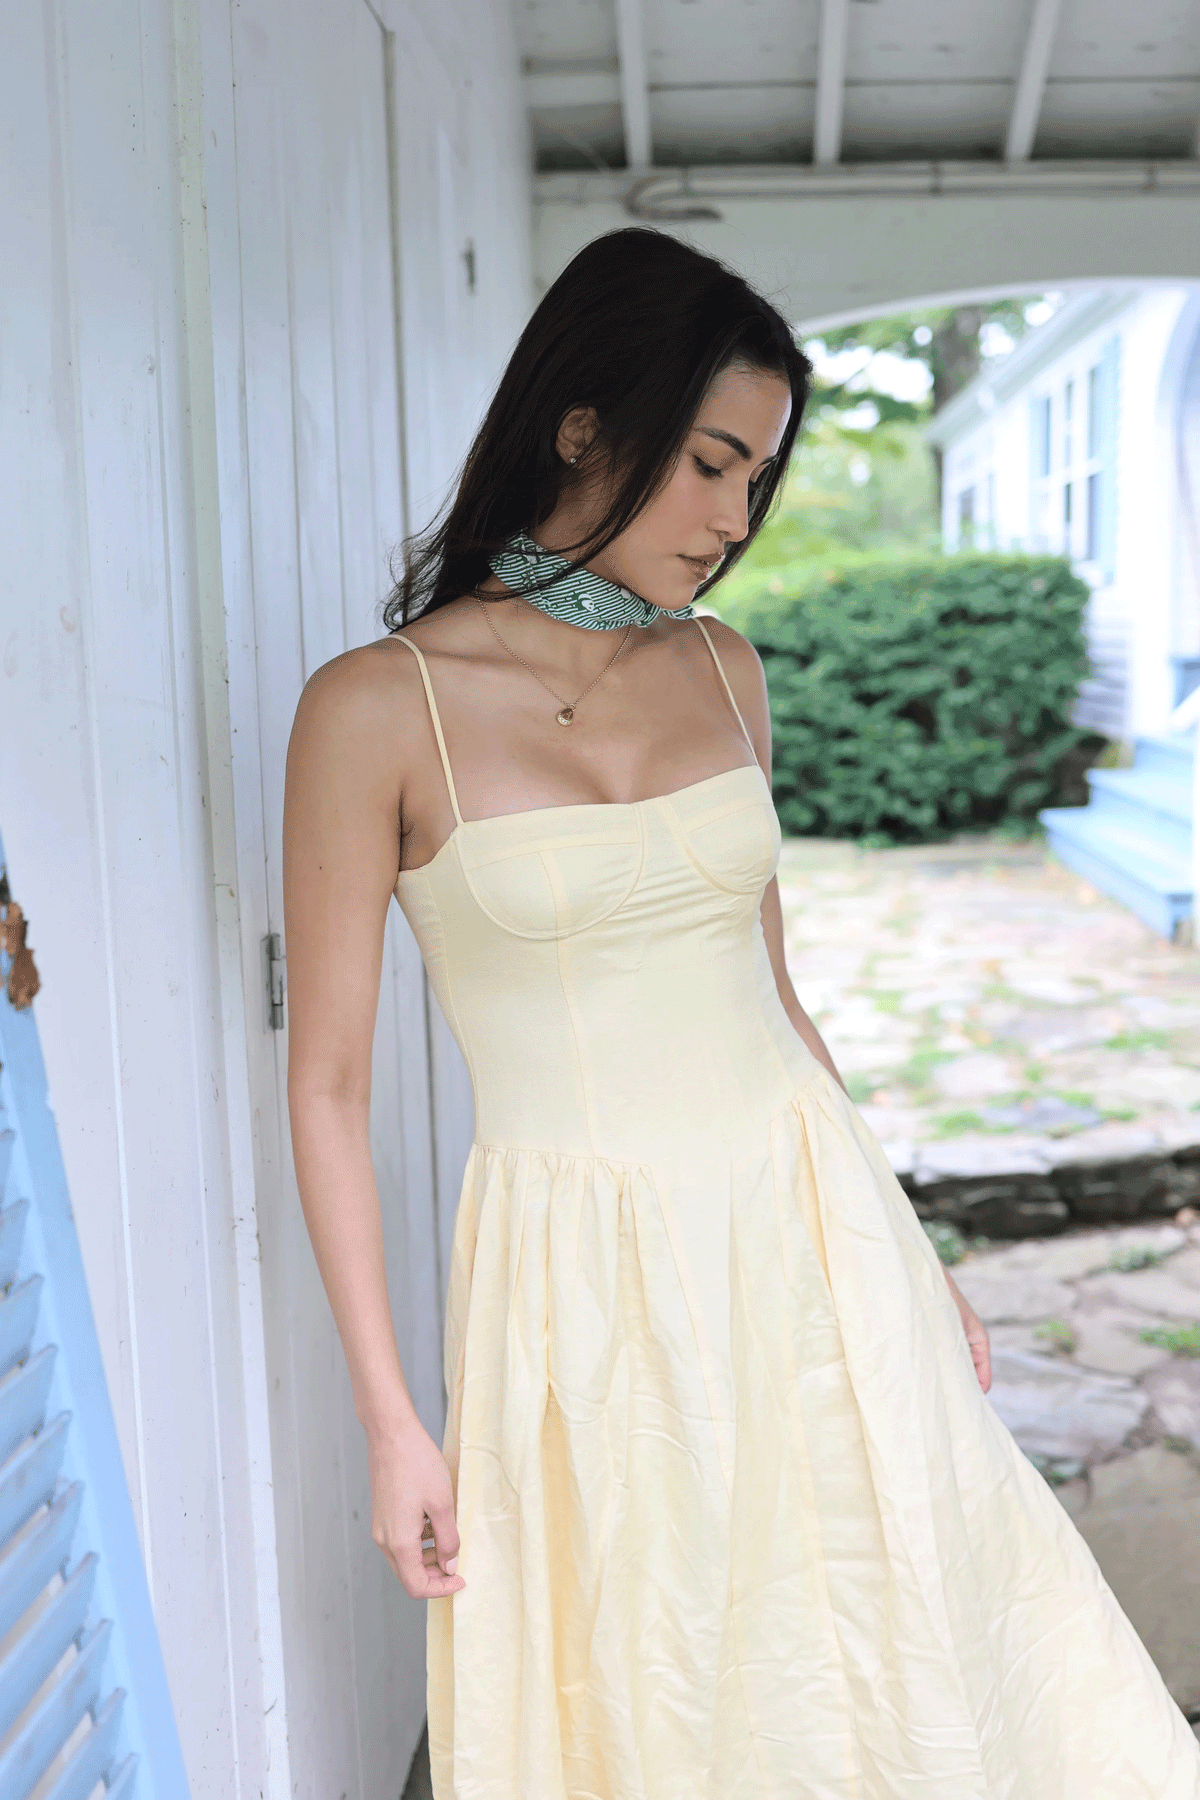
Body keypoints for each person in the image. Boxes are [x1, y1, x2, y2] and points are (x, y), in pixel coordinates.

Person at [282, 228, 1200, 1798]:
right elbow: (328, 1089)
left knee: (898, 1637)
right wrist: (392, 1420)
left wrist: (907, 1248)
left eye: (757, 481)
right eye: (712, 464)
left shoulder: (725, 670)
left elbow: (774, 994)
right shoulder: (375, 707)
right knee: (657, 1680)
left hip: (807, 1220)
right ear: (584, 424)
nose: (732, 521)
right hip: (584, 1272)